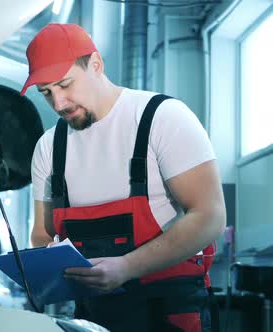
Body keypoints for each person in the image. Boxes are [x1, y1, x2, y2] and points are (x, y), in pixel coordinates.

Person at [23, 23, 226, 331]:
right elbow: (41, 233)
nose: (58, 103)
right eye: (47, 92)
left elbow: (210, 216)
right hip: (93, 317)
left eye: (65, 85)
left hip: (170, 314)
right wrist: (49, 256)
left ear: (95, 64)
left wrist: (126, 267)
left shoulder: (163, 117)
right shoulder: (49, 148)